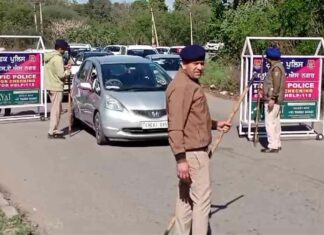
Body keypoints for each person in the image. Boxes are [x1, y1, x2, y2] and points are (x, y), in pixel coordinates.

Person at [166, 44, 231, 235]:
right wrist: (181, 160)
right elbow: (176, 126)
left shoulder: (188, 83)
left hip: (191, 153)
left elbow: (194, 117)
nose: (200, 68)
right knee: (202, 202)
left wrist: (215, 124)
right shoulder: (182, 87)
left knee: (185, 200)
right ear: (183, 64)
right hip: (192, 154)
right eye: (195, 63)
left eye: (202, 64)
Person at [260, 47, 286, 153]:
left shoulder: (276, 69)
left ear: (270, 58)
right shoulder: (277, 67)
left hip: (273, 99)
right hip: (274, 98)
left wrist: (272, 98)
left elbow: (276, 85)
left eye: (267, 58)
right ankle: (277, 143)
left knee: (270, 122)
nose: (266, 59)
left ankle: (272, 145)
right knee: (275, 122)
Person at [44, 39, 71, 139]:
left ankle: (53, 129)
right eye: (64, 49)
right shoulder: (58, 58)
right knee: (56, 110)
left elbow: (54, 69)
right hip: (56, 86)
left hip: (50, 85)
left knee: (56, 109)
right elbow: (61, 75)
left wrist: (64, 67)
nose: (65, 51)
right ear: (60, 48)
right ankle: (52, 131)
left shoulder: (50, 56)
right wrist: (67, 71)